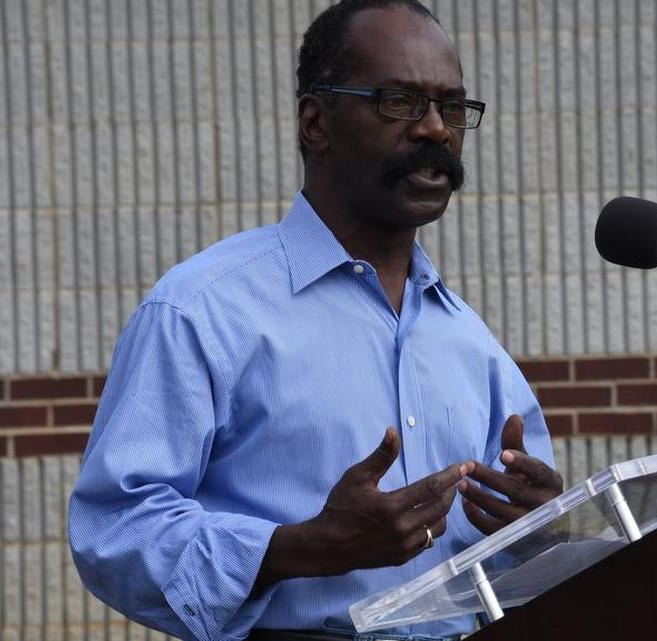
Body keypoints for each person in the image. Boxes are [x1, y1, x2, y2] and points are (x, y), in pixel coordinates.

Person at [67, 2, 562, 641]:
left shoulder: (471, 342)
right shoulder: (203, 310)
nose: (436, 130)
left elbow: (526, 567)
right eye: (399, 102)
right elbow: (116, 530)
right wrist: (302, 548)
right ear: (315, 123)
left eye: (452, 107)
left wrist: (542, 528)